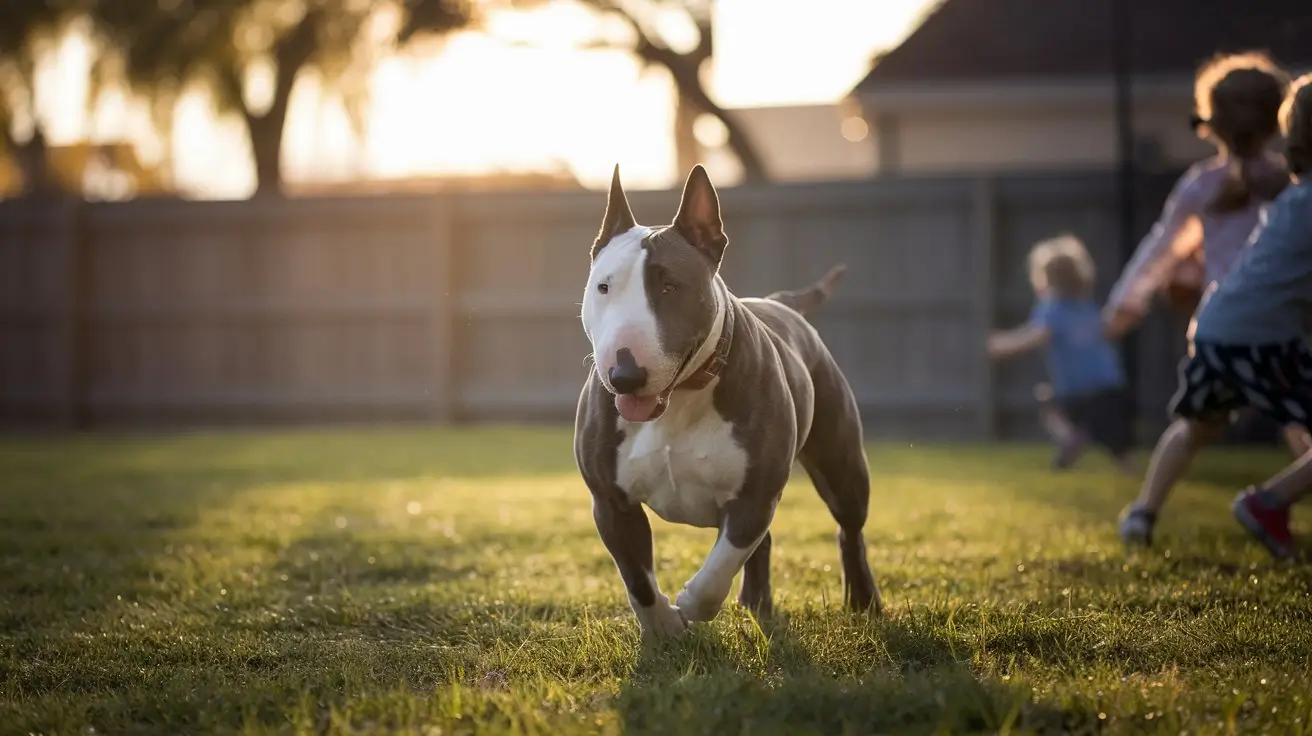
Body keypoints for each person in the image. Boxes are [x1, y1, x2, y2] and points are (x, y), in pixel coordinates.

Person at [1104, 53, 1307, 545]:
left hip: (1219, 329)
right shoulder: (1289, 185)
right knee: (1298, 422)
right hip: (1273, 332)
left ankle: (1142, 514)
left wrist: (1127, 300)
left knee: (1194, 426)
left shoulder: (1204, 184)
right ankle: (1272, 504)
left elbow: (1162, 246)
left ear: (1212, 122)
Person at [989, 234, 1134, 473]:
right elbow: (1107, 331)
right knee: (1117, 444)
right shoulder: (1087, 308)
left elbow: (1035, 337)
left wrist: (999, 346)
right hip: (1110, 384)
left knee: (1049, 406)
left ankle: (1071, 438)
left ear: (1044, 278)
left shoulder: (1051, 310)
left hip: (1077, 389)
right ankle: (1130, 474)